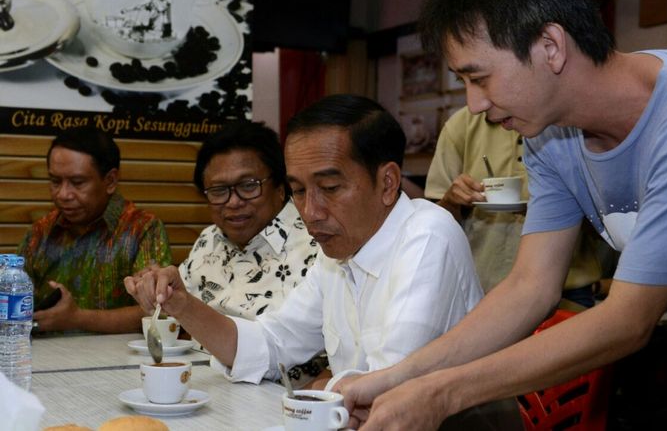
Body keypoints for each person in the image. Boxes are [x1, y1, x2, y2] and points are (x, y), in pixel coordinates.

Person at [336, 0, 667, 430]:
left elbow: (627, 321)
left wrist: (443, 393)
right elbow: (530, 286)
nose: (473, 104)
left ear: (550, 47)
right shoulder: (550, 135)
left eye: (479, 78)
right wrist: (398, 376)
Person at [125, 95, 483, 387]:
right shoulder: (338, 252)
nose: (310, 211)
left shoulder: (427, 236)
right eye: (298, 190)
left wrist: (319, 390)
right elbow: (271, 342)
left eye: (329, 188)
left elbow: (388, 384)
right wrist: (182, 304)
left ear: (388, 183)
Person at [425, 105, 601, 303]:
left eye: (478, 79)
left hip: (567, 288)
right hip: (480, 286)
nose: (473, 99)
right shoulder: (462, 124)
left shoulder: (571, 122)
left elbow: (610, 227)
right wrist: (451, 202)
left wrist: (559, 209)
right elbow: (433, 229)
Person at [18, 128, 171, 333]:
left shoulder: (143, 229)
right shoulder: (40, 232)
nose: (63, 194)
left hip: (120, 360)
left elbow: (159, 310)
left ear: (110, 181)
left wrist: (78, 319)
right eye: (55, 181)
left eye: (77, 183)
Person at [179, 121, 317, 321]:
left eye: (248, 186)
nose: (233, 202)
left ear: (280, 187)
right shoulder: (209, 239)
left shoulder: (318, 246)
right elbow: (169, 310)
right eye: (218, 190)